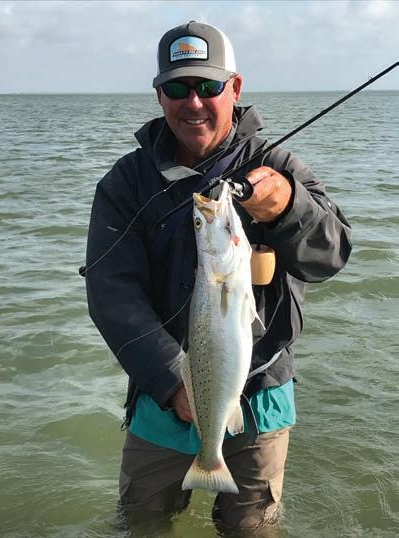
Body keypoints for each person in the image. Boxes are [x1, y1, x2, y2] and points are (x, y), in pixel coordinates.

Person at [85, 21, 352, 532]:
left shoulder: (278, 165)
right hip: (160, 396)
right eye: (177, 88)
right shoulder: (125, 182)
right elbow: (110, 292)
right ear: (159, 94)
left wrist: (288, 207)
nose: (194, 103)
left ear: (235, 87)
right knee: (141, 524)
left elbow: (332, 255)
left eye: (208, 86)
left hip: (261, 393)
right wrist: (171, 381)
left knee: (253, 527)